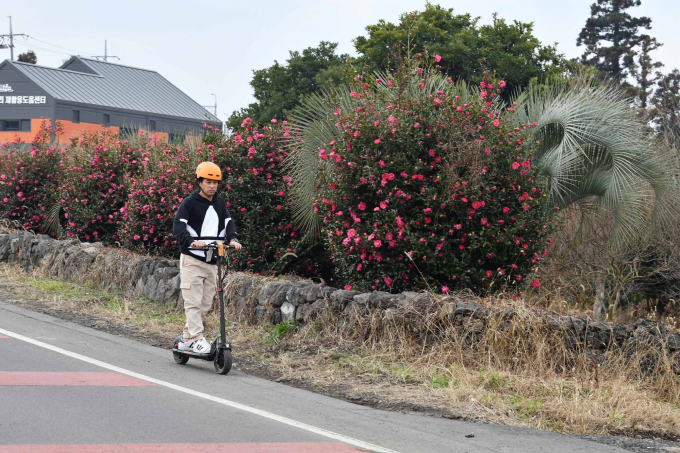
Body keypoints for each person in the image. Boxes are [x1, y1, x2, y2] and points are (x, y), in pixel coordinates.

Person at [172, 162, 241, 354]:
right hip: (192, 259)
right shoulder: (189, 203)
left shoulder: (219, 202)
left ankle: (186, 339)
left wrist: (233, 239)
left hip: (212, 260)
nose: (212, 186)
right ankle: (196, 338)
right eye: (208, 182)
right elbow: (178, 227)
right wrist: (192, 241)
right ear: (199, 182)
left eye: (215, 182)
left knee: (205, 304)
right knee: (193, 302)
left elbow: (228, 223)